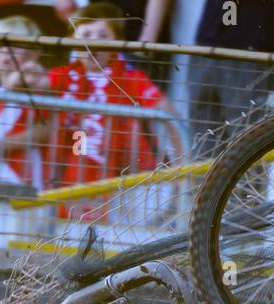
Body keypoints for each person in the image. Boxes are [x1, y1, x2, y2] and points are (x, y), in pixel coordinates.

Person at [49, 2, 185, 217]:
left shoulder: (130, 77)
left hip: (125, 180)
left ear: (117, 43)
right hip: (72, 175)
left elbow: (169, 114)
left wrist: (181, 168)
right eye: (86, 33)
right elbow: (31, 88)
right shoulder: (62, 75)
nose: (94, 41)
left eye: (103, 34)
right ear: (73, 40)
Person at [189, 0, 274, 156]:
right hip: (207, 42)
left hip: (251, 47)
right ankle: (203, 182)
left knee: (247, 143)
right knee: (202, 145)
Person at [0, 16, 51, 190]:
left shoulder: (31, 85)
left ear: (33, 53)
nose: (5, 51)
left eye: (14, 45)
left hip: (23, 173)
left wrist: (0, 146)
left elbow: (44, 130)